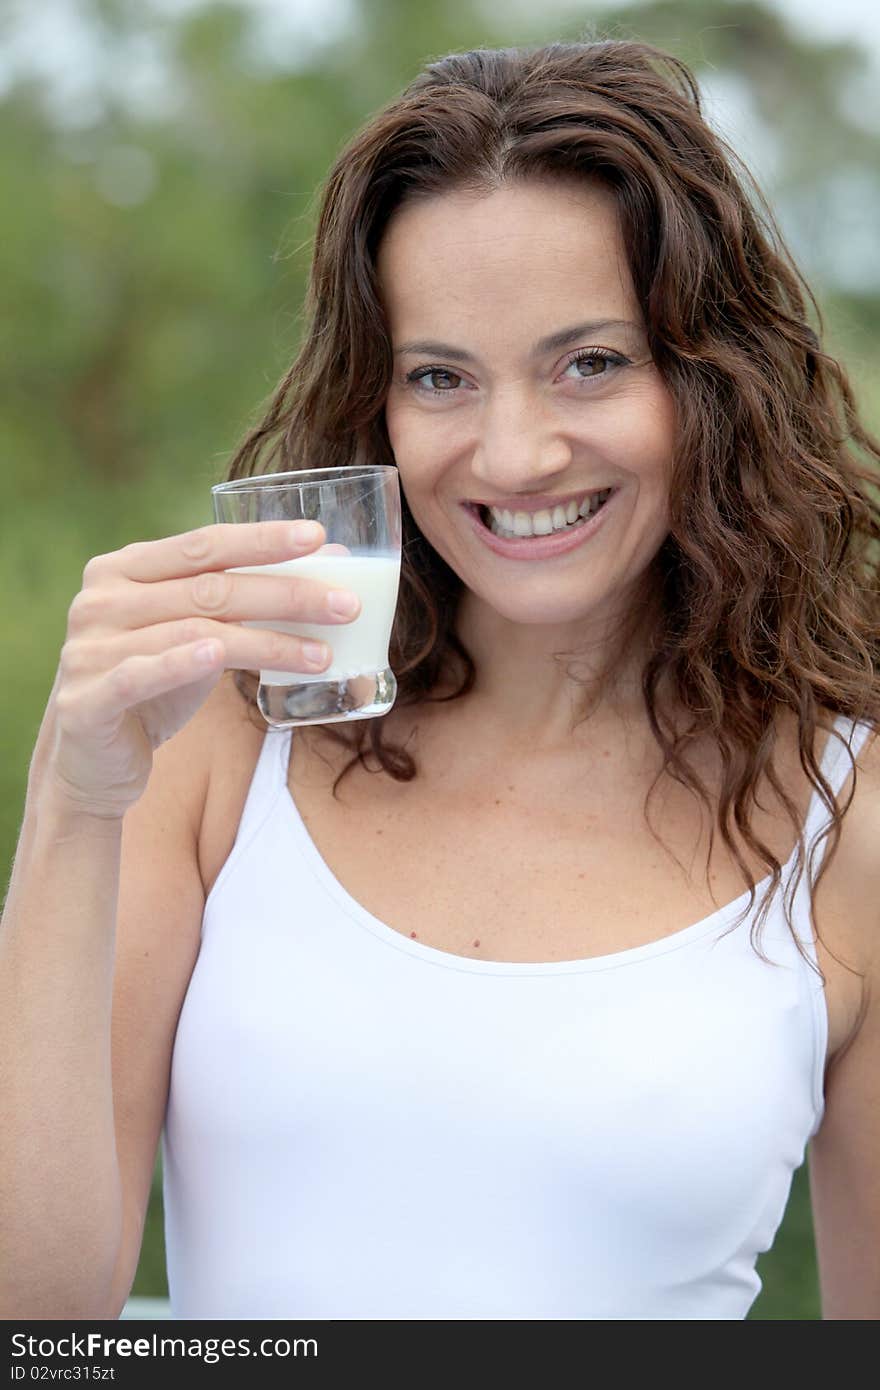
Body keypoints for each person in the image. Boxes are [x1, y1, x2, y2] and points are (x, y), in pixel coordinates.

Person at [1, 37, 878, 1323]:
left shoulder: (848, 816)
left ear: (712, 379)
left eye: (592, 362)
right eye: (439, 377)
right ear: (378, 405)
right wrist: (73, 799)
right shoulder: (224, 741)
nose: (513, 453)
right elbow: (37, 1317)